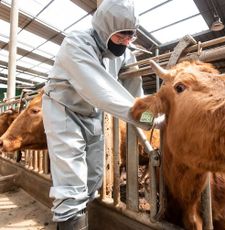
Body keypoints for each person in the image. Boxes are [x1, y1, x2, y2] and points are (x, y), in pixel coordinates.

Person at [42, 0, 149, 229]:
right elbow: (101, 91)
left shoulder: (125, 53)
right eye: (121, 36)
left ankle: (82, 218)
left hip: (92, 115)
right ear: (105, 28)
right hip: (64, 111)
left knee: (94, 176)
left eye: (130, 36)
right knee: (72, 184)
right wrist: (151, 121)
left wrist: (151, 113)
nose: (126, 42)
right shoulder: (76, 43)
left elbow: (134, 93)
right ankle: (70, 219)